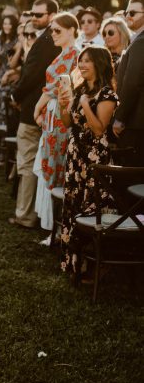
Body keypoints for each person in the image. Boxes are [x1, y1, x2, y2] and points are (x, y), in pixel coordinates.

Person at [57, 47, 118, 277]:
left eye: (87, 61)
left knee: (90, 207)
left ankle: (92, 265)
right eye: (80, 61)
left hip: (94, 159)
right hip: (75, 158)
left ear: (99, 64)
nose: (81, 65)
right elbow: (68, 123)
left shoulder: (107, 95)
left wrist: (83, 103)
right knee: (73, 205)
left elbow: (99, 128)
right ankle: (74, 262)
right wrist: (64, 105)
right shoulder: (80, 89)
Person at [9, 0, 59, 229]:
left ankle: (25, 215)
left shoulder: (47, 40)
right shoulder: (48, 38)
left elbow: (31, 75)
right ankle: (34, 213)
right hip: (41, 109)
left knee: (27, 162)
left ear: (51, 15)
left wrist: (15, 95)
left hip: (32, 110)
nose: (34, 19)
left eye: (39, 15)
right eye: (32, 14)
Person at [32, 12, 80, 232]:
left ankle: (58, 229)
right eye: (51, 30)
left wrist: (37, 107)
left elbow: (55, 89)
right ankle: (51, 226)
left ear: (72, 29)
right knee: (49, 162)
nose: (53, 34)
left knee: (57, 164)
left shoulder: (75, 54)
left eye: (57, 30)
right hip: (51, 116)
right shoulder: (62, 53)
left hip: (60, 116)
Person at [112, 0, 144, 165]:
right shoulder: (137, 39)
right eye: (126, 12)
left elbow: (132, 82)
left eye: (133, 12)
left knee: (130, 179)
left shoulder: (141, 41)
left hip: (135, 122)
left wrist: (120, 117)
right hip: (136, 121)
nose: (127, 16)